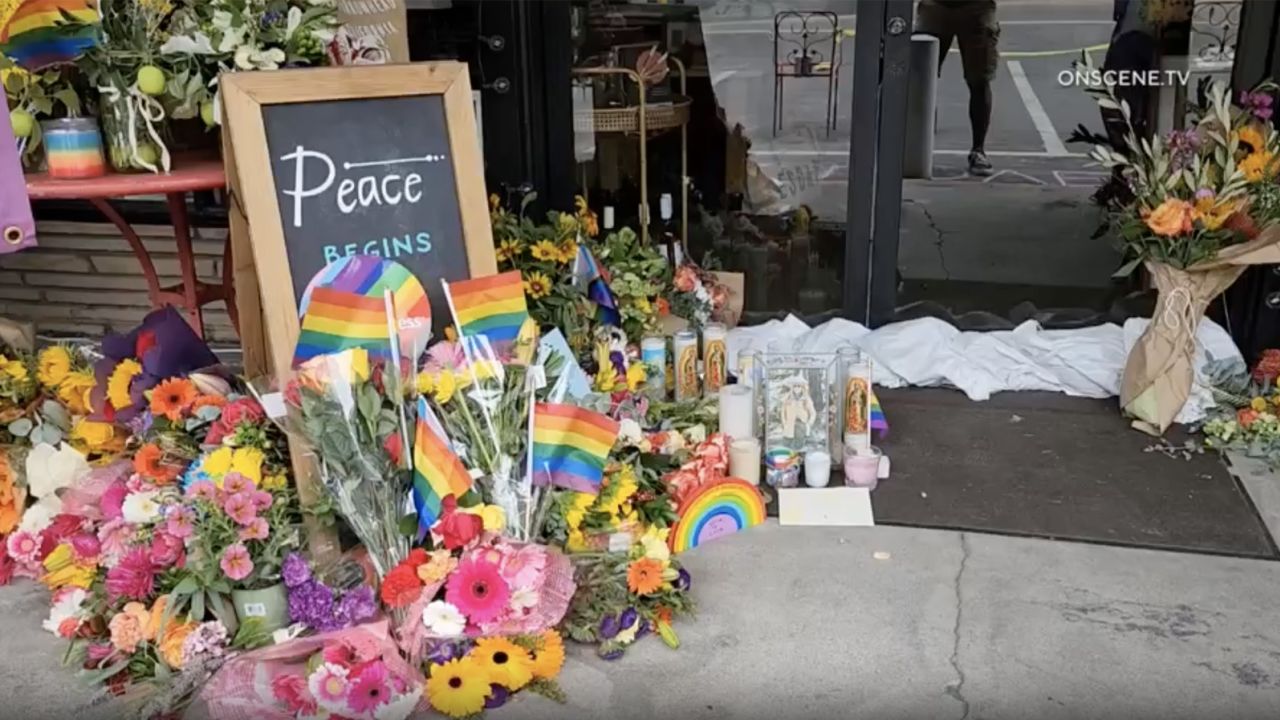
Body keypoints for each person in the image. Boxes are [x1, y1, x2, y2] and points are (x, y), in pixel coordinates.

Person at [915, 0, 1000, 176]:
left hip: (977, 7)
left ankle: (978, 150)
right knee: (920, 76)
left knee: (979, 79)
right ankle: (913, 146)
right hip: (935, 6)